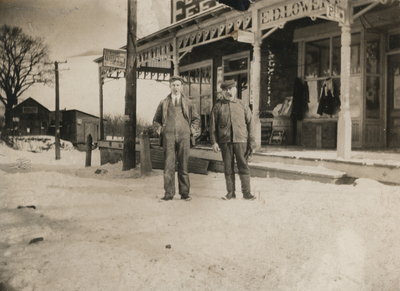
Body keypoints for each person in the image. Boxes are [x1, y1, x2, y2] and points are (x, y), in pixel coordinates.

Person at [153, 76, 200, 201]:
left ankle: (185, 193)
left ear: (182, 87)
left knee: (183, 166)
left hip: (184, 137)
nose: (175, 88)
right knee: (169, 166)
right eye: (173, 85)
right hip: (168, 137)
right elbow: (156, 120)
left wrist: (192, 129)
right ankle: (169, 193)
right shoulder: (163, 103)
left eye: (178, 85)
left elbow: (196, 119)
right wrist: (160, 130)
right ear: (170, 86)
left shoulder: (189, 103)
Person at [210, 79, 256, 200]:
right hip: (225, 142)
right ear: (222, 92)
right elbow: (212, 127)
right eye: (226, 90)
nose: (229, 92)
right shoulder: (218, 106)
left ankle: (247, 193)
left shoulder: (242, 105)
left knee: (243, 166)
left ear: (235, 89)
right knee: (228, 168)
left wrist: (251, 143)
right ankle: (230, 193)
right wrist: (214, 142)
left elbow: (251, 124)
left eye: (231, 89)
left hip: (241, 141)